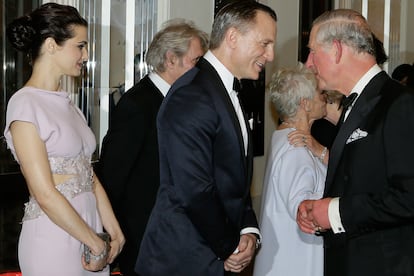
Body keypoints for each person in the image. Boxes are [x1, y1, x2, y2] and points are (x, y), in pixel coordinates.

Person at [135, 1, 277, 275]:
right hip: (183, 258)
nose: (270, 55)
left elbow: (234, 178)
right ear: (233, 37)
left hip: (211, 254)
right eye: (264, 43)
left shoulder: (223, 90)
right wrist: (230, 246)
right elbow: (195, 190)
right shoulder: (193, 94)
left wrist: (248, 228)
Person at [3, 3, 125, 275]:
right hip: (53, 238)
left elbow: (88, 175)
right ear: (51, 45)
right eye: (80, 46)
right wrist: (95, 242)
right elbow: (44, 193)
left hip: (90, 233)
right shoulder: (24, 104)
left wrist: (114, 231)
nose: (86, 54)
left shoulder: (69, 105)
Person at [296, 9, 414, 276]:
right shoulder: (358, 103)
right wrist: (319, 209)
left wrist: (335, 211)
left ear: (337, 50)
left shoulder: (400, 103)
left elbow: (409, 197)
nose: (308, 63)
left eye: (313, 52)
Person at [96, 19, 208, 276]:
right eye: (196, 61)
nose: (202, 71)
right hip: (145, 240)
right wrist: (117, 236)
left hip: (178, 236)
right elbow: (113, 176)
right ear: (171, 60)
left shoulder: (184, 101)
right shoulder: (137, 104)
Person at [253, 63, 326, 276]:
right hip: (297, 262)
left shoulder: (282, 136)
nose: (325, 97)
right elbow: (304, 209)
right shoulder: (296, 148)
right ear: (305, 104)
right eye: (320, 93)